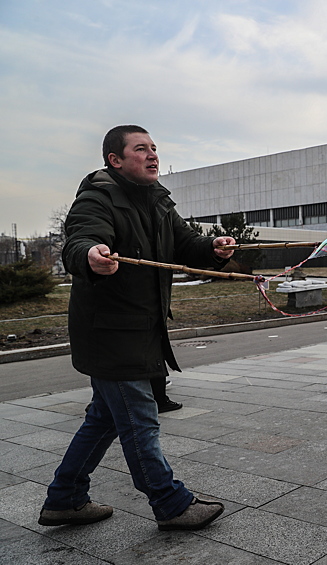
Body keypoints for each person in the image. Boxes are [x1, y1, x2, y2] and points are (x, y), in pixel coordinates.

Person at [39, 125, 236, 530]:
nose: (152, 156)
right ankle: (171, 503)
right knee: (140, 419)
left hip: (140, 329)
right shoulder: (97, 197)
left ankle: (65, 498)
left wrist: (211, 248)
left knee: (105, 419)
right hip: (110, 333)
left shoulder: (158, 200)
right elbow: (81, 241)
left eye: (154, 148)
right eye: (141, 149)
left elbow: (185, 244)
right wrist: (92, 256)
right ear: (115, 159)